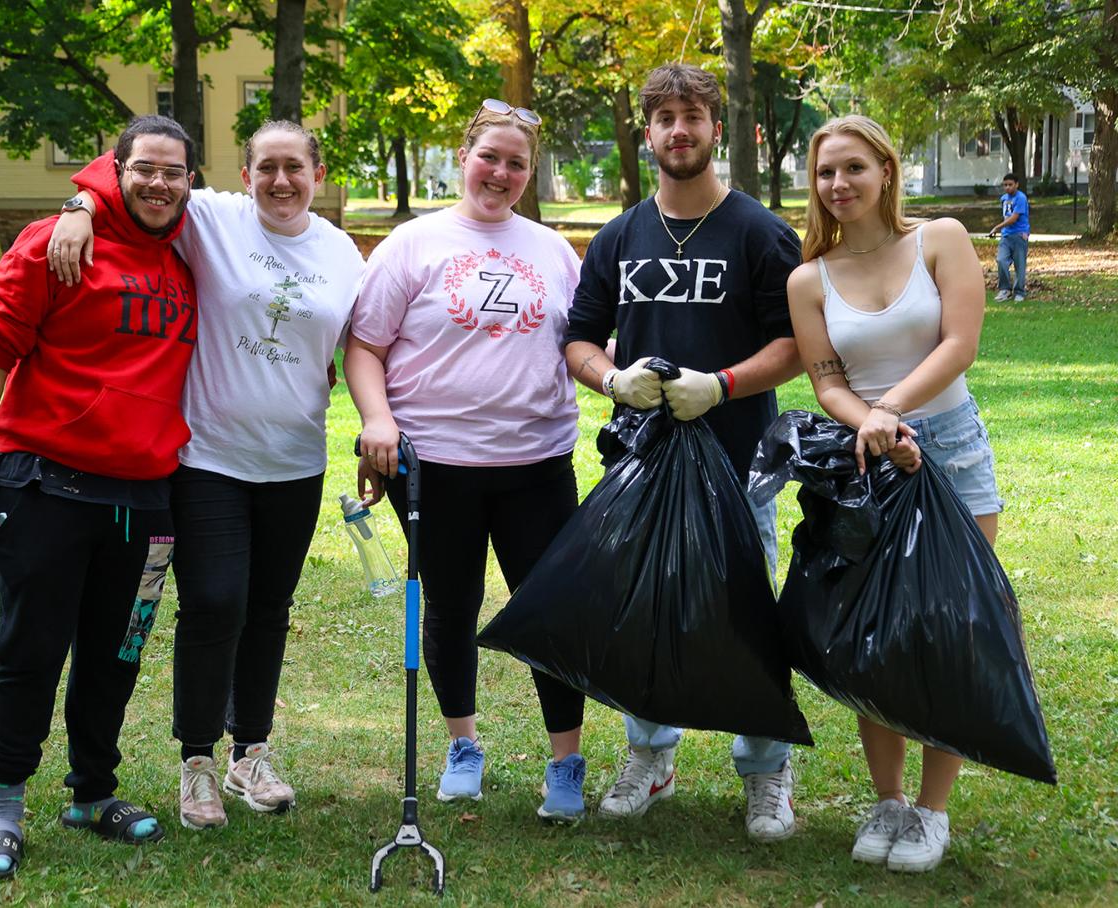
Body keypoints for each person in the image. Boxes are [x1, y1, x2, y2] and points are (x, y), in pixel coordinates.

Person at [48, 121, 365, 831]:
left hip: (296, 463)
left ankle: (250, 752)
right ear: (244, 173)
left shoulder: (342, 253)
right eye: (266, 168)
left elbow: (362, 348)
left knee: (269, 611)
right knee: (215, 601)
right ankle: (196, 761)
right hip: (209, 459)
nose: (281, 182)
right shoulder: (212, 217)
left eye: (295, 167)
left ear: (317, 171)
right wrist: (78, 208)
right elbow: (135, 180)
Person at [0, 115, 197, 879]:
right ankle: (7, 806)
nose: (159, 183)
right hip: (47, 487)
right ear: (112, 172)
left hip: (149, 503)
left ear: (191, 181)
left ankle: (93, 793)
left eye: (174, 172)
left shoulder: (184, 256)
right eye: (143, 169)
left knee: (117, 654)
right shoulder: (55, 246)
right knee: (32, 650)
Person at [563, 63, 803, 838]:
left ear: (715, 126)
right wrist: (611, 379)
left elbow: (797, 343)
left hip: (740, 464)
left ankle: (767, 770)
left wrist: (724, 383)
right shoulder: (619, 236)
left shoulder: (761, 233)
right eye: (662, 115)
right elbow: (576, 339)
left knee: (747, 615)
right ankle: (649, 755)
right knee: (645, 613)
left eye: (691, 114)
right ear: (647, 130)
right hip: (641, 464)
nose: (678, 129)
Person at [344, 98, 590, 821]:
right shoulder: (412, 244)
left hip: (536, 460)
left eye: (517, 163)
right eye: (491, 157)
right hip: (434, 465)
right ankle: (463, 745)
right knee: (450, 606)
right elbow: (365, 345)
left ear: (528, 174)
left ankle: (566, 761)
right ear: (463, 156)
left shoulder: (551, 250)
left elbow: (580, 344)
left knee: (550, 608)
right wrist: (377, 418)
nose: (501, 172)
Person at [787, 115, 1003, 872]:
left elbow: (959, 344)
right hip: (865, 464)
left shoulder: (939, 239)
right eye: (824, 174)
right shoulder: (808, 278)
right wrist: (872, 423)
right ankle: (887, 800)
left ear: (885, 168)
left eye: (852, 168)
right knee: (872, 638)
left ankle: (933, 813)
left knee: (950, 633)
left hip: (949, 452)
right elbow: (826, 381)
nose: (838, 185)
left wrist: (893, 409)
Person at [987, 173, 1029, 302]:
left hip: (1019, 234)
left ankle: (1019, 292)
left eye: (1010, 185)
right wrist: (1001, 228)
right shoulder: (1004, 198)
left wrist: (997, 227)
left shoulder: (1021, 198)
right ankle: (1004, 289)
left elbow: (1014, 218)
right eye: (1005, 185)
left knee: (1019, 265)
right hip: (1006, 236)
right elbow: (1006, 216)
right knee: (1001, 260)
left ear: (1017, 184)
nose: (1008, 187)